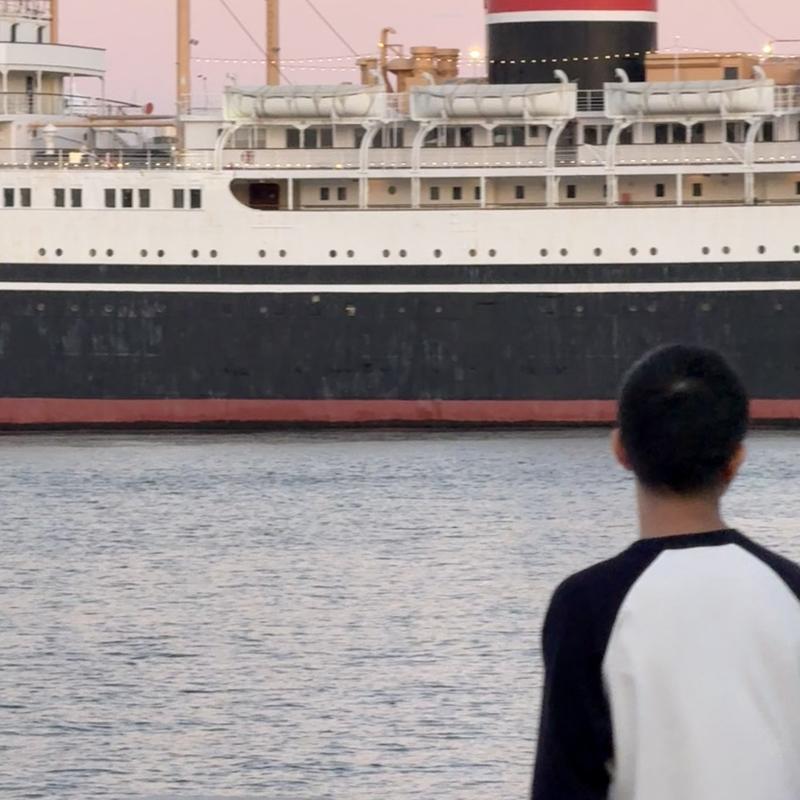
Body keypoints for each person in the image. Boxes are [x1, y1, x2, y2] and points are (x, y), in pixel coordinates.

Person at [530, 344, 800, 800]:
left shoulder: (586, 606)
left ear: (621, 450)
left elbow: (565, 785)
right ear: (735, 459)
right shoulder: (791, 591)